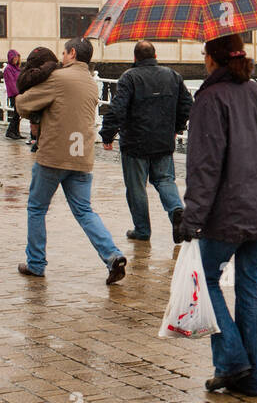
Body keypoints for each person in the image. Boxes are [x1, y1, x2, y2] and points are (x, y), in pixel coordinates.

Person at [177, 33, 257, 396]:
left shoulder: (209, 98)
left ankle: (232, 362)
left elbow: (204, 167)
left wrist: (191, 218)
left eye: (204, 53)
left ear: (212, 59)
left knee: (205, 280)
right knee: (251, 286)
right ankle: (252, 380)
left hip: (227, 212)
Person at [15, 38, 127, 286]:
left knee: (36, 208)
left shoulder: (58, 78)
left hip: (54, 157)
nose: (61, 58)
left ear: (72, 53)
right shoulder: (91, 83)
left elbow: (23, 104)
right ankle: (113, 255)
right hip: (82, 156)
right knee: (85, 211)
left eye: (64, 53)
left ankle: (36, 264)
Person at [99, 40, 193, 243]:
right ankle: (177, 210)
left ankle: (142, 231)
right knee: (165, 180)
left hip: (135, 143)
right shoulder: (172, 75)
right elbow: (187, 104)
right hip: (163, 141)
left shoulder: (129, 77)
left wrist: (107, 135)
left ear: (135, 58)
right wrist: (177, 127)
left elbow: (117, 109)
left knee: (136, 187)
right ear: (156, 56)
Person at [16, 46, 59, 152]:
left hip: (35, 111)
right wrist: (52, 66)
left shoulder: (26, 74)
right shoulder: (42, 73)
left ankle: (36, 144)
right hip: (42, 114)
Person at [3, 49, 22, 139]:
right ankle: (10, 131)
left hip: (19, 93)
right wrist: (17, 93)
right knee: (16, 113)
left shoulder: (17, 68)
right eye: (14, 58)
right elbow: (11, 83)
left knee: (18, 114)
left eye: (17, 58)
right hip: (14, 94)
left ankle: (16, 132)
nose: (16, 59)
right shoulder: (8, 69)